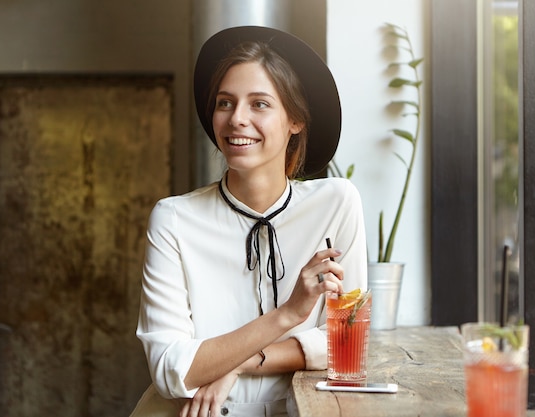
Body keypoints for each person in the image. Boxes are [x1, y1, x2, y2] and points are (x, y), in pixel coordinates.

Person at [130, 26, 367, 417]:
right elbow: (171, 370)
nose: (236, 119)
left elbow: (348, 343)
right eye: (225, 103)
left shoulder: (337, 204)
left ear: (295, 120)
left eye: (259, 104)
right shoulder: (173, 220)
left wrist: (236, 363)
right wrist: (288, 315)